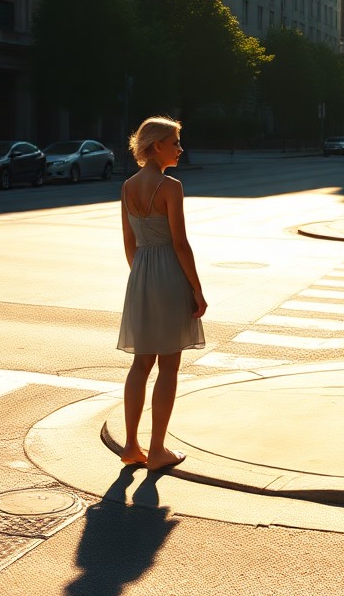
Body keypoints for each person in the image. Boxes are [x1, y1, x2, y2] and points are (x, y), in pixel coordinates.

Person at [117, 116, 207, 471]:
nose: (180, 149)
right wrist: (196, 289)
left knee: (141, 364)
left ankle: (130, 445)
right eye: (175, 143)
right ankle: (157, 450)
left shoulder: (127, 187)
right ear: (157, 146)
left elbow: (129, 242)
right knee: (169, 365)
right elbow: (180, 244)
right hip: (169, 273)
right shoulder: (171, 187)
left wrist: (142, 276)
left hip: (140, 274)